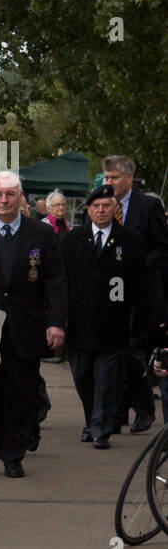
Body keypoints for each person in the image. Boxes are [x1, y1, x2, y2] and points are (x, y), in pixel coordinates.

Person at [0, 170, 65, 478]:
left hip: (26, 325)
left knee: (21, 391)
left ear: (21, 197)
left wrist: (56, 323)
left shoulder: (42, 234)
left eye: (11, 194)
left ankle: (13, 453)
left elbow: (56, 281)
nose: (5, 199)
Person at [61, 183, 149, 448]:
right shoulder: (71, 241)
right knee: (82, 378)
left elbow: (139, 285)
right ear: (88, 210)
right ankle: (92, 421)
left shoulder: (131, 241)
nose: (101, 210)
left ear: (115, 209)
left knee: (106, 380)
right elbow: (60, 282)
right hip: (78, 324)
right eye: (96, 206)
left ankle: (101, 429)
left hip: (113, 324)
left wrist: (140, 322)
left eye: (106, 206)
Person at [101, 155, 168, 433]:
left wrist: (137, 265)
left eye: (114, 178)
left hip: (139, 295)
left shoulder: (148, 206)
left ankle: (143, 408)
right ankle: (115, 414)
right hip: (107, 293)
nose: (109, 183)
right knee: (112, 354)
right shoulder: (100, 205)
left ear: (129, 178)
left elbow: (163, 248)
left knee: (131, 351)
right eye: (106, 178)